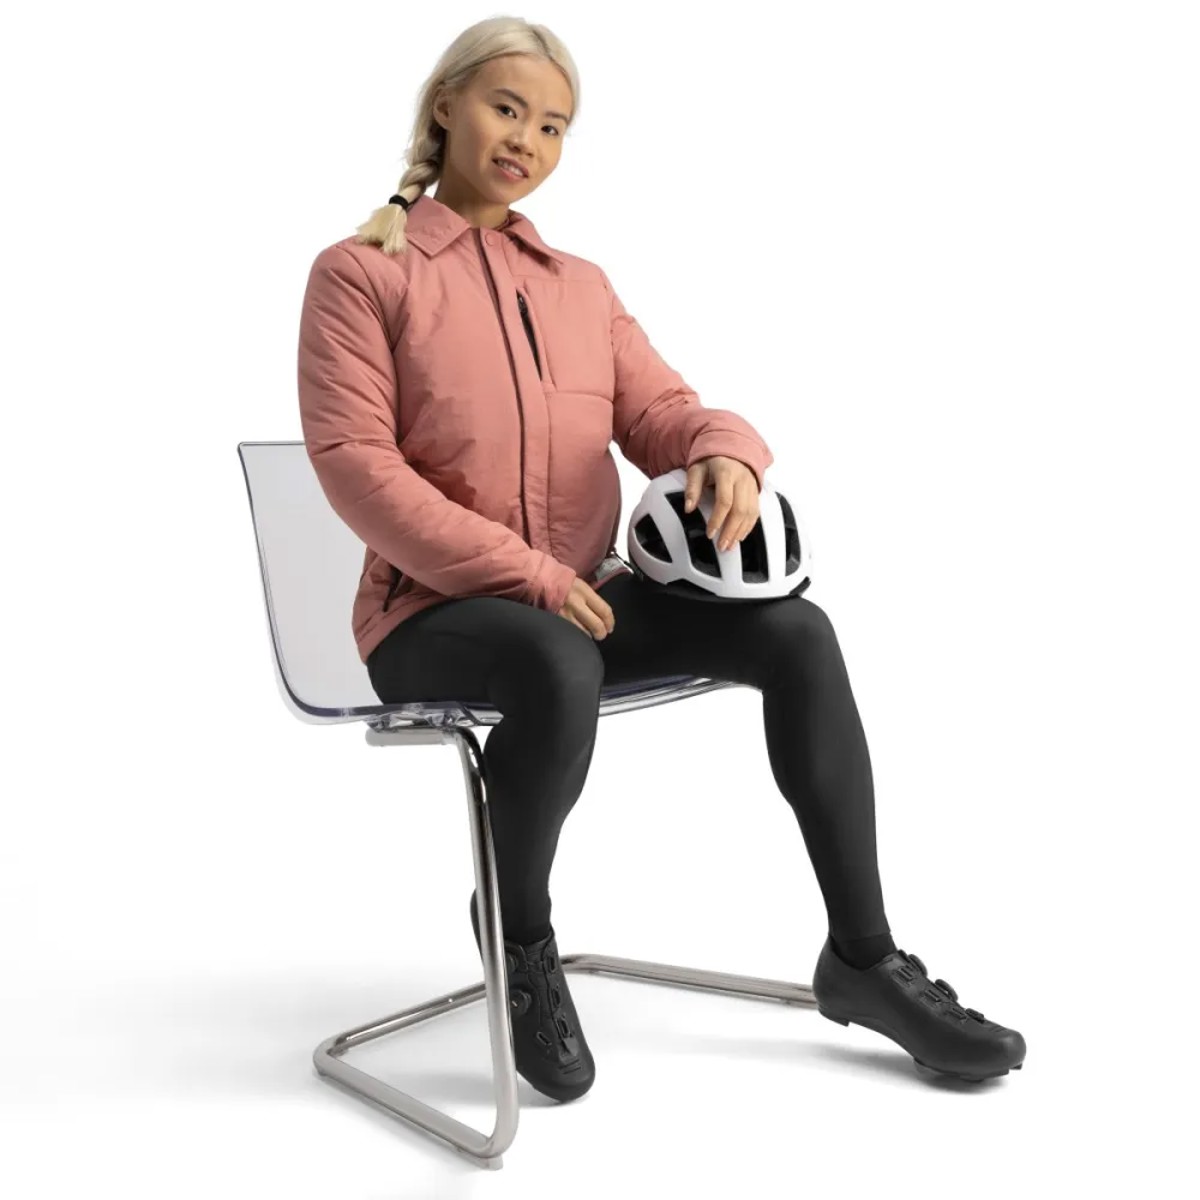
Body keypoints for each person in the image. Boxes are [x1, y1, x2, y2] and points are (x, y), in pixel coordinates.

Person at [296, 15, 1026, 1105]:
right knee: (554, 659)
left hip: (579, 605)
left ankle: (864, 960)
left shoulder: (579, 286)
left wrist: (726, 450)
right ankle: (521, 936)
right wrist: (532, 577)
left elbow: (662, 412)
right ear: (447, 105)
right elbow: (358, 469)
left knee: (795, 632)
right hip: (431, 615)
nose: (527, 139)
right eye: (507, 108)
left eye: (553, 125)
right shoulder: (363, 275)